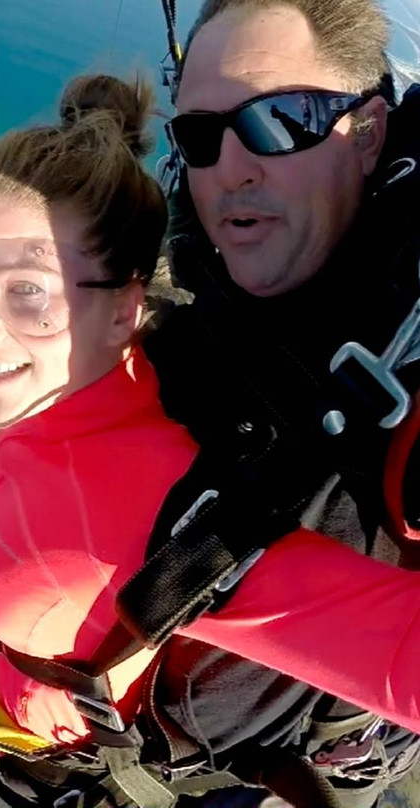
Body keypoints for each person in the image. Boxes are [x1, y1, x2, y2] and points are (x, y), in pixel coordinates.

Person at [0, 73, 420, 808]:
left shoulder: (146, 519)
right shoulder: (112, 387)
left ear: (123, 311)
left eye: (27, 290)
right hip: (33, 720)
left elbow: (399, 652)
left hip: (70, 769)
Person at [134, 0, 420, 805]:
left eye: (278, 121)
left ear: (367, 136)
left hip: (300, 766)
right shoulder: (197, 281)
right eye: (199, 136)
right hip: (156, 734)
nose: (230, 168)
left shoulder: (405, 340)